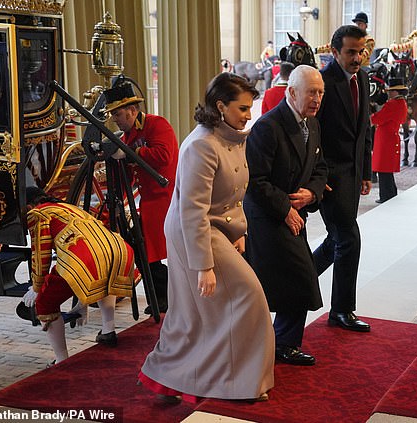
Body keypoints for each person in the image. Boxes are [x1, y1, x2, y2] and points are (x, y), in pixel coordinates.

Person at [138, 73, 274, 402]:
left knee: (196, 315)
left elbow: (230, 199)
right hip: (193, 233)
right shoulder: (202, 144)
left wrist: (236, 234)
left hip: (212, 229)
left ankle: (187, 379)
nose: (247, 114)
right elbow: (193, 210)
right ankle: (231, 380)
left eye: (250, 107)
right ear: (219, 106)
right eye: (242, 108)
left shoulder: (231, 137)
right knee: (246, 297)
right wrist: (204, 266)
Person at [245, 65, 327, 366]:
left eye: (320, 93)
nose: (317, 99)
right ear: (292, 93)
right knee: (295, 278)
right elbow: (255, 181)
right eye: (311, 92)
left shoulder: (313, 125)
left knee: (294, 280)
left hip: (293, 212)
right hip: (266, 216)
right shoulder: (268, 127)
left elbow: (320, 169)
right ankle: (276, 343)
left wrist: (311, 194)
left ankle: (281, 343)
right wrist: (285, 209)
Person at [21, 187, 135, 364]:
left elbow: (40, 254)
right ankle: (108, 330)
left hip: (85, 257)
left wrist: (37, 288)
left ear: (28, 206)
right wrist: (83, 302)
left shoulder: (37, 214)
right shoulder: (70, 207)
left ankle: (61, 359)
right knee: (104, 278)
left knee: (46, 302)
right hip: (119, 249)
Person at [314, 25, 372, 332]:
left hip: (353, 173)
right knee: (349, 238)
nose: (357, 57)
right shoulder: (322, 82)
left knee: (337, 238)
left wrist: (366, 171)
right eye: (350, 51)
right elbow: (312, 134)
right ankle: (341, 311)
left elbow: (364, 128)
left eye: (360, 51)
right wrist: (314, 178)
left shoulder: (362, 77)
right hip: (330, 178)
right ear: (334, 52)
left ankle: (300, 274)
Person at [106, 81, 179, 314]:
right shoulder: (127, 137)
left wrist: (131, 153)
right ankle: (159, 297)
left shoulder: (157, 125)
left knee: (152, 251)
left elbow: (163, 156)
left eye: (117, 114)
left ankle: (166, 295)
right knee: (145, 251)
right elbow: (126, 174)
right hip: (149, 200)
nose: (115, 119)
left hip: (168, 196)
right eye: (113, 115)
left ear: (132, 110)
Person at [371, 78, 408, 203]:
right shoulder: (402, 103)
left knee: (383, 169)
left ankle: (385, 195)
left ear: (396, 92)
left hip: (385, 139)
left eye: (391, 91)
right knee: (387, 170)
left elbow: (379, 118)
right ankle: (391, 192)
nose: (389, 93)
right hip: (391, 136)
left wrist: (371, 117)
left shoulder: (392, 104)